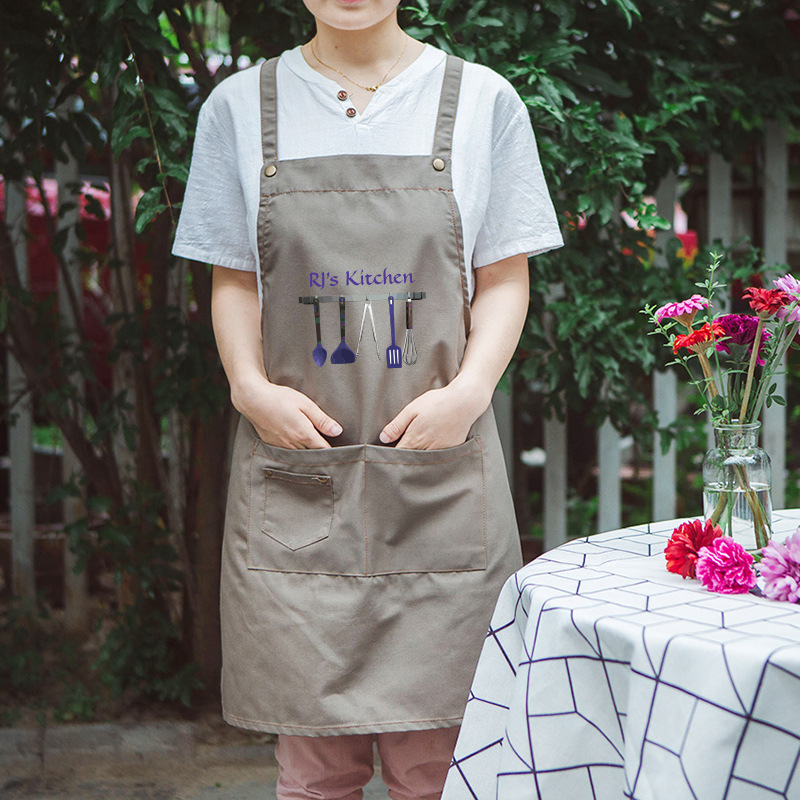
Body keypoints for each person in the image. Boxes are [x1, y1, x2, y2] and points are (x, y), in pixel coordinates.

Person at [171, 0, 563, 797]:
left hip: (438, 477)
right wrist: (250, 390)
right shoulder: (240, 108)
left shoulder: (484, 100)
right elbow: (233, 280)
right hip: (300, 473)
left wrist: (471, 390)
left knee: (437, 767)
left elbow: (505, 276)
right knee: (315, 769)